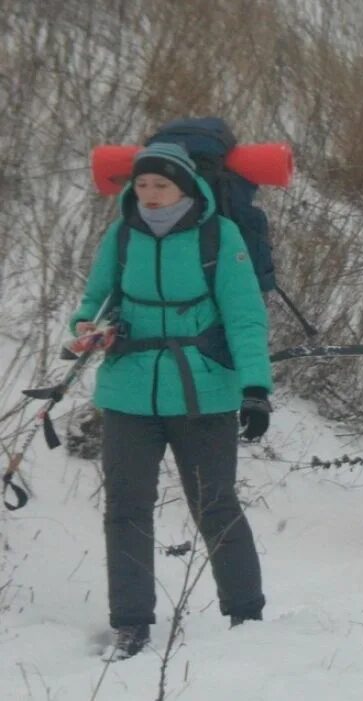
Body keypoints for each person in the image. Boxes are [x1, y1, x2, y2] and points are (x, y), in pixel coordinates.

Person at [69, 142, 273, 660]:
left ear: (186, 187)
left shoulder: (219, 236)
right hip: (128, 388)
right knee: (126, 508)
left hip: (202, 389)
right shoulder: (121, 235)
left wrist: (255, 389)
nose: (151, 196)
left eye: (161, 185)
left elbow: (245, 316)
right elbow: (94, 302)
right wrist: (87, 330)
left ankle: (246, 614)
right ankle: (131, 624)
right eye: (141, 186)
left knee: (215, 503)